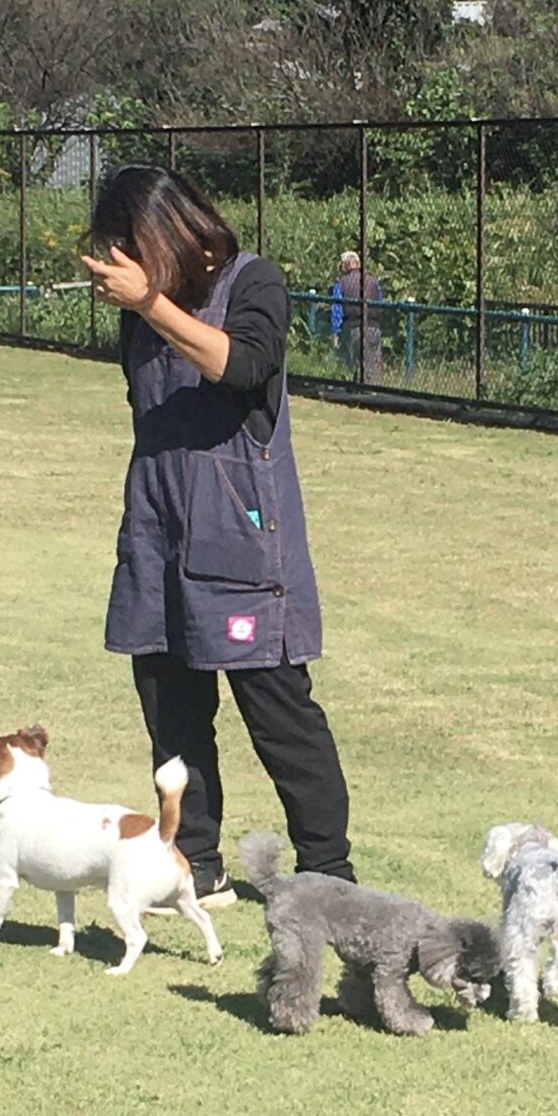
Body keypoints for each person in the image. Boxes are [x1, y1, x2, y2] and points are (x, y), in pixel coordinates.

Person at [81, 165, 356, 902]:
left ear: (163, 232)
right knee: (171, 710)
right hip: (157, 530)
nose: (119, 263)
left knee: (279, 712)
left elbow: (240, 365)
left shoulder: (253, 281)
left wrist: (151, 304)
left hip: (240, 534)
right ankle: (194, 863)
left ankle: (328, 873)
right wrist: (144, 306)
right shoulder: (139, 313)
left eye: (127, 245)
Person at [329, 248, 384, 380]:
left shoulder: (342, 283)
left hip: (353, 327)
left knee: (351, 364)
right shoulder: (374, 281)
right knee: (372, 365)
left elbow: (337, 309)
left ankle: (354, 387)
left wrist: (335, 333)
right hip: (374, 327)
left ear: (346, 265)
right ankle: (373, 387)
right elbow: (380, 302)